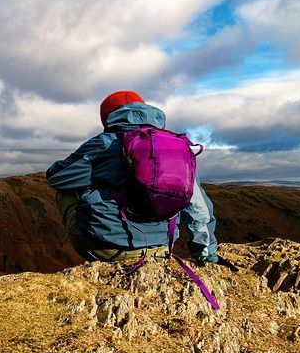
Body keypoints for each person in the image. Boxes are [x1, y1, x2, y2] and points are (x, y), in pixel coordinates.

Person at [46, 90, 219, 265]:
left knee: (66, 191)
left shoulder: (103, 143)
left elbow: (57, 178)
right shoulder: (176, 148)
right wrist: (206, 255)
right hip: (162, 247)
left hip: (109, 249)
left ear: (108, 117)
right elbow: (199, 207)